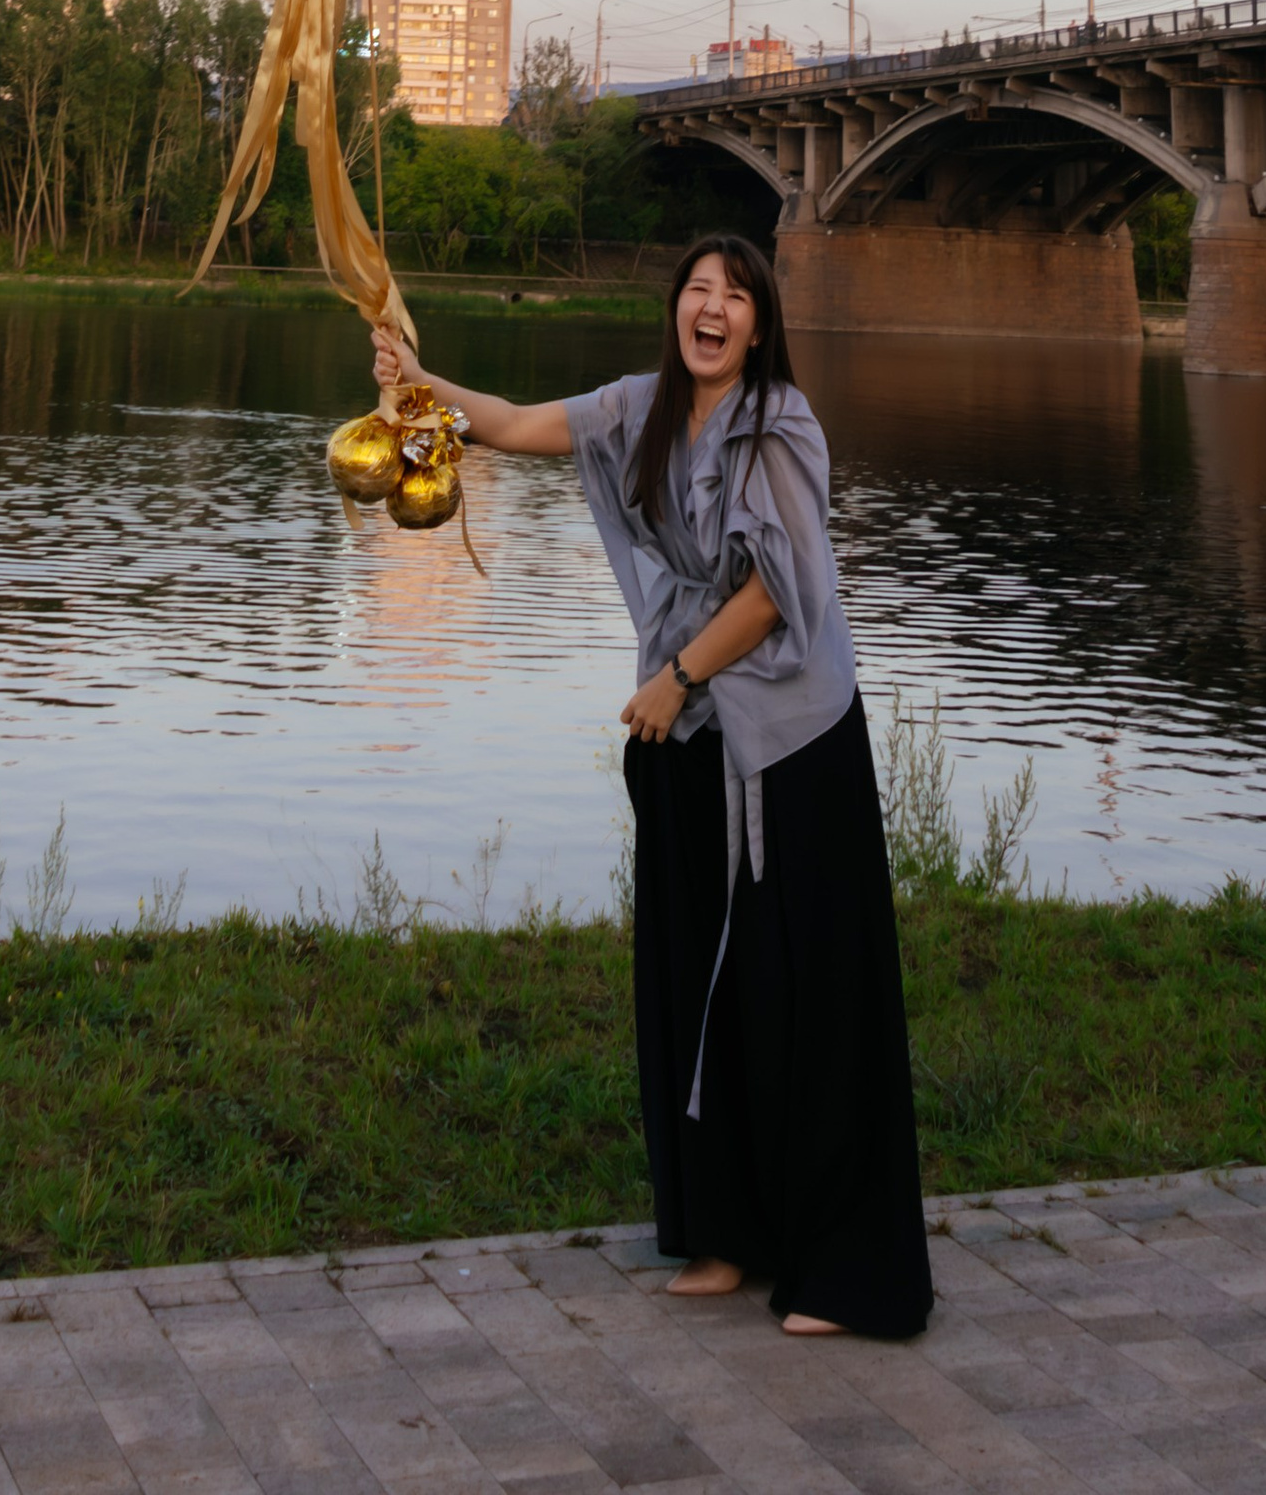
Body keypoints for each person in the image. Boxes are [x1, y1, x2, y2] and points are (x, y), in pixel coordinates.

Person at [372, 232, 932, 1340]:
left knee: (799, 991)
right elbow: (515, 425)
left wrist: (676, 679)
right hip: (687, 727)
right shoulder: (640, 407)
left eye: (735, 296)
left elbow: (774, 590)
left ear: (759, 329)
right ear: (676, 309)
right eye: (697, 290)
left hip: (791, 742)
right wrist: (419, 382)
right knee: (695, 978)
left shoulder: (781, 427)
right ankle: (726, 1235)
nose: (712, 308)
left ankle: (844, 1271)